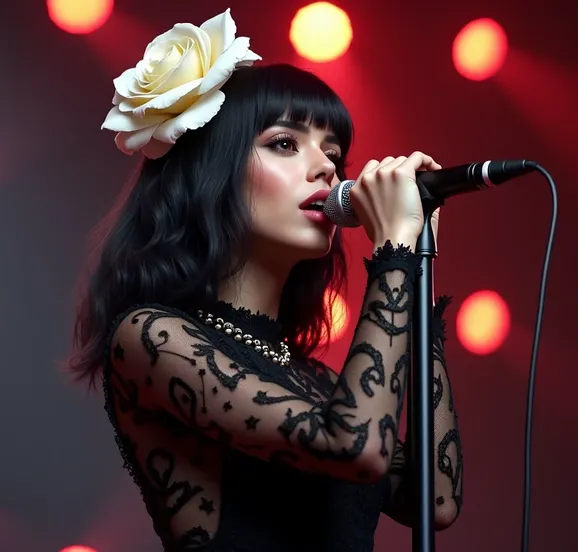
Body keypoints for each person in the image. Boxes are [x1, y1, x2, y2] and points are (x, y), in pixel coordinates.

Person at [70, 9, 463, 552]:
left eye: (334, 153)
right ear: (213, 170)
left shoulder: (321, 385)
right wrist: (392, 249)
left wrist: (416, 263)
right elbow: (355, 447)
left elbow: (436, 499)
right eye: (285, 143)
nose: (328, 169)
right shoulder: (151, 338)